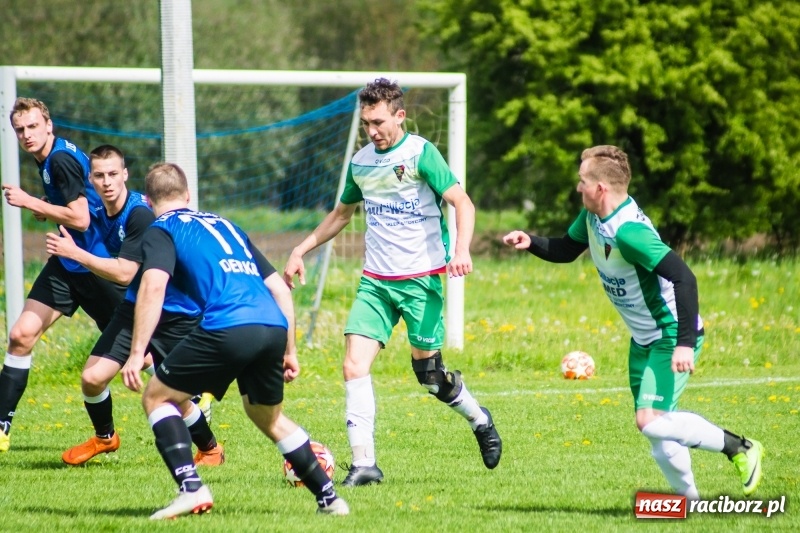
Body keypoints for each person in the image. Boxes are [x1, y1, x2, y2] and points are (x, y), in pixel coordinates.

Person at [502, 144, 764, 498]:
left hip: (669, 333)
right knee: (656, 431)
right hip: (642, 339)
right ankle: (693, 504)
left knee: (650, 420)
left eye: (582, 181)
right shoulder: (594, 216)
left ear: (600, 189)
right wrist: (530, 241)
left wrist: (684, 343)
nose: (578, 187)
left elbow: (685, 278)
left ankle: (739, 448)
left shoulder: (629, 233)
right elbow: (566, 250)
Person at [283, 78, 502, 487]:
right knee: (353, 365)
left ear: (400, 116)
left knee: (431, 377)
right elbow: (341, 214)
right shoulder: (362, 162)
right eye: (366, 123)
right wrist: (301, 249)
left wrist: (462, 250)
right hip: (376, 283)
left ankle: (479, 419)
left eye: (379, 122)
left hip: (421, 280)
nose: (372, 131)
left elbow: (461, 201)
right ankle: (364, 463)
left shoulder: (421, 152)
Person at [120, 162, 349, 519]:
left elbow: (153, 285)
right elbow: (279, 289)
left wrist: (136, 354)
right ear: (188, 196)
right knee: (266, 416)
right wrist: (290, 349)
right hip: (271, 325)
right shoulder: (227, 225)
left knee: (157, 396)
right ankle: (329, 498)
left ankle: (190, 488)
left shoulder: (160, 229)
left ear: (148, 201)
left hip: (228, 325)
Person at [46, 145, 222, 467]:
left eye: (113, 174)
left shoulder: (140, 213)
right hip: (136, 307)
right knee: (92, 378)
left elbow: (126, 274)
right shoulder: (98, 210)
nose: (107, 181)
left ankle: (210, 449)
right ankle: (105, 437)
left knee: (170, 395)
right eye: (99, 175)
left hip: (174, 313)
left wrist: (74, 254)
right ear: (91, 179)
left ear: (125, 174)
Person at [0, 98, 126, 452]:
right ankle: (1, 424)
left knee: (141, 355)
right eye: (20, 129)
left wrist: (31, 202)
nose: (26, 135)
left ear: (49, 126)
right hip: (67, 263)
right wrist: (47, 205)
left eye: (33, 127)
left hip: (94, 264)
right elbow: (77, 206)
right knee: (22, 334)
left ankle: (192, 399)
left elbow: (82, 218)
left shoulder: (60, 160)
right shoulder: (51, 158)